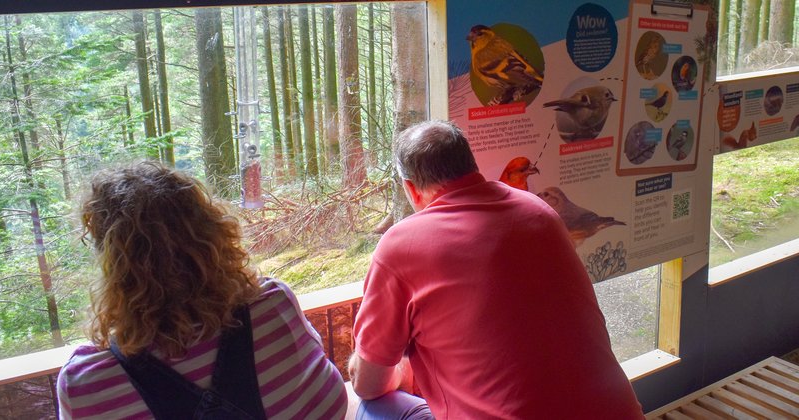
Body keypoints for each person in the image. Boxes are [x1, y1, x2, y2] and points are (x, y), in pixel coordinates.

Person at [348, 121, 644, 419]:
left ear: (411, 189)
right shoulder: (539, 212)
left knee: (369, 406)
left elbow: (368, 383)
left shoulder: (402, 245)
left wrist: (398, 372)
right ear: (471, 165)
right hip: (621, 413)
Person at [57, 162, 347, 419]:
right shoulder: (272, 305)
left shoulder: (86, 382)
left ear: (111, 265)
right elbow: (331, 399)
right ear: (213, 231)